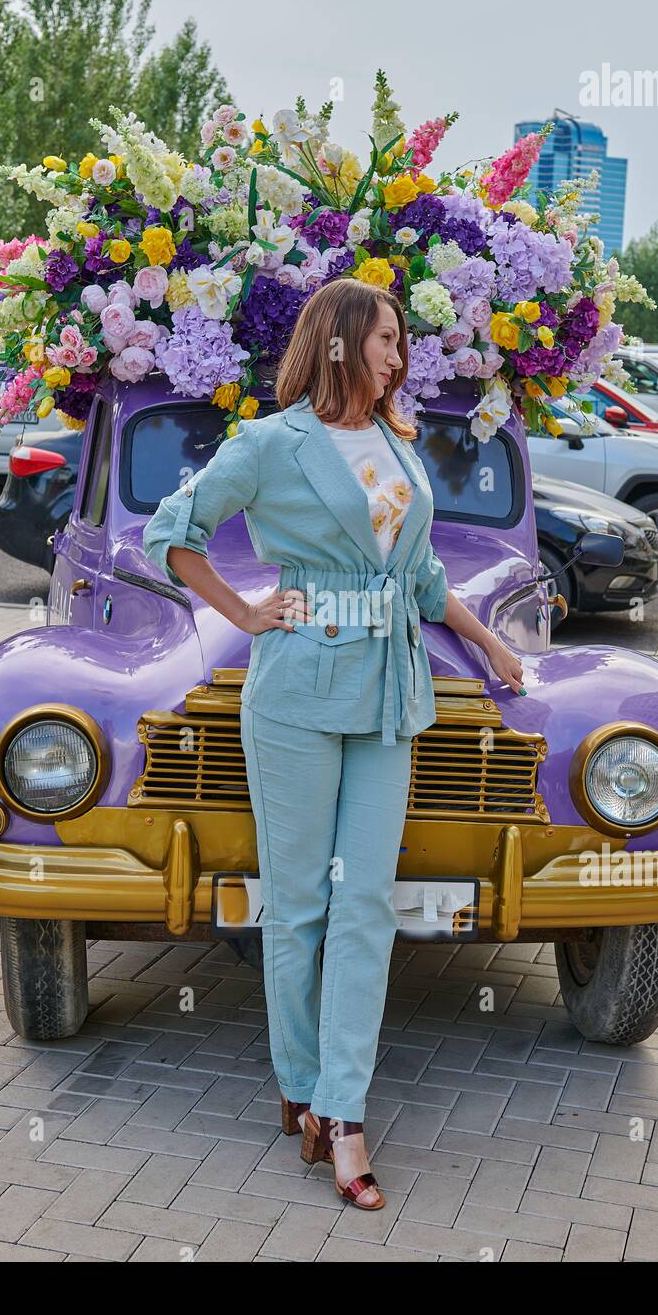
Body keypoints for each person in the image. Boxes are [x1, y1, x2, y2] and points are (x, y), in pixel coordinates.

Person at [142, 278, 525, 1209]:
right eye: (389, 339)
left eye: (402, 339)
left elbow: (421, 576)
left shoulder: (398, 441)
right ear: (344, 343)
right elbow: (171, 532)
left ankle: (342, 1112)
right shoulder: (273, 444)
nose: (402, 355)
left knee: (365, 910)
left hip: (392, 698)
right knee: (303, 904)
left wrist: (489, 643)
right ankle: (303, 1090)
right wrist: (245, 611)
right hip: (297, 697)